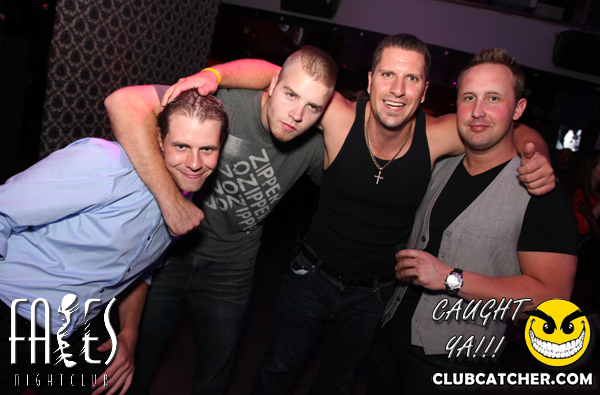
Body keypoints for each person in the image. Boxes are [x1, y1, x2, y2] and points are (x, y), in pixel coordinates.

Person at [139, 34, 556, 394]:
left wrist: (534, 151)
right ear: (370, 81)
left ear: (424, 90)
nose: (397, 89)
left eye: (411, 78)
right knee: (276, 371)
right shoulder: (337, 116)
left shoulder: (437, 134)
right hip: (310, 277)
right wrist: (214, 76)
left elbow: (502, 124)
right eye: (388, 74)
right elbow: (281, 75)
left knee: (338, 384)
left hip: (375, 295)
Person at [105, 46, 337, 394]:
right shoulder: (223, 105)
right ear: (273, 82)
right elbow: (122, 103)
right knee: (137, 357)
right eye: (290, 95)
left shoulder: (314, 148)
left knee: (215, 374)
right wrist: (171, 202)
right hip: (168, 253)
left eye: (313, 107)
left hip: (233, 267)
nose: (297, 114)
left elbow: (354, 187)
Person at [367, 48, 578, 394]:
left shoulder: (540, 191)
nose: (478, 111)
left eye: (493, 98)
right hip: (389, 337)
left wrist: (450, 278)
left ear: (518, 109)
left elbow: (552, 301)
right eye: (469, 98)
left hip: (457, 361)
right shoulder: (440, 165)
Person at [0, 90, 227, 395]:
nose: (195, 163)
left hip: (70, 331)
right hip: (10, 311)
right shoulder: (105, 163)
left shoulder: (185, 200)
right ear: (159, 139)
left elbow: (139, 271)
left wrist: (130, 333)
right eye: (181, 146)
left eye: (207, 149)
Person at [565, 150, 600, 311]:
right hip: (573, 258)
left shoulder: (594, 195)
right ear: (591, 168)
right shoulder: (579, 194)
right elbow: (581, 229)